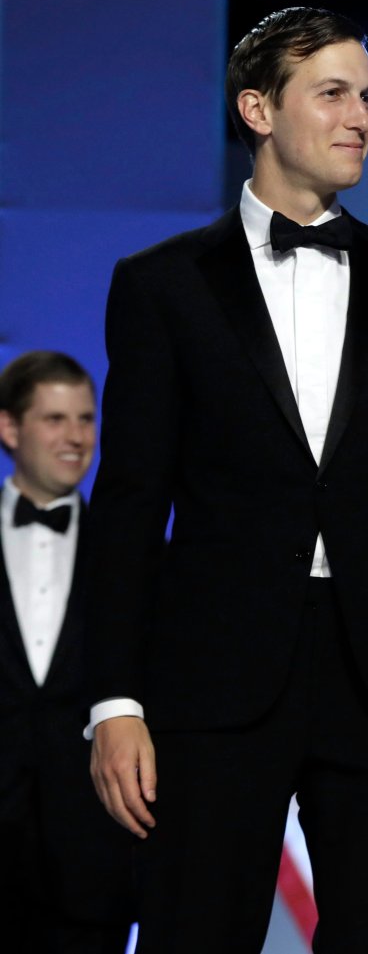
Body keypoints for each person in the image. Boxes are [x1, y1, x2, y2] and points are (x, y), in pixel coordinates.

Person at [83, 7, 368, 953]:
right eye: (333, 93)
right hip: (213, 676)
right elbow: (131, 503)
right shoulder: (161, 285)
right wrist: (115, 701)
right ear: (257, 107)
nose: (362, 118)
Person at [0, 351, 135, 953]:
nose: (76, 437)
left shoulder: (135, 552)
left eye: (85, 418)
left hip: (91, 863)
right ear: (9, 428)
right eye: (55, 419)